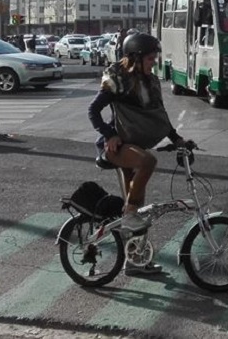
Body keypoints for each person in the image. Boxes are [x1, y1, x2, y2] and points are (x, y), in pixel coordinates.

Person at [87, 32, 192, 275]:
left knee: (140, 209)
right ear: (135, 57)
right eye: (150, 58)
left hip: (133, 147)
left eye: (155, 58)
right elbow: (93, 110)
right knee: (148, 163)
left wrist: (178, 140)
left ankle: (135, 261)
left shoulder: (150, 82)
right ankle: (129, 214)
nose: (154, 62)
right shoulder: (118, 79)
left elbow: (161, 117)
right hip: (116, 148)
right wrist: (108, 134)